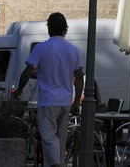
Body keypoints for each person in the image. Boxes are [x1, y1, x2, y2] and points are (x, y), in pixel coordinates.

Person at [13, 12, 86, 167]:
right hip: (65, 100)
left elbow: (27, 72)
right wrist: (77, 102)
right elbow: (79, 77)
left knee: (48, 137)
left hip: (48, 100)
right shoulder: (73, 50)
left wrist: (19, 90)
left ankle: (56, 165)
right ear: (65, 29)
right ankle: (56, 163)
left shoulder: (41, 48)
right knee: (60, 138)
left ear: (49, 29)